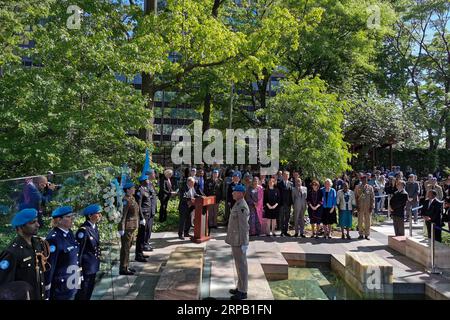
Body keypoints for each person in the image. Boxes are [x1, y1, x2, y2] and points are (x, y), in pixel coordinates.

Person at [0, 208, 47, 300]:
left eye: (37, 221)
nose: (38, 225)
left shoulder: (37, 244)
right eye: (32, 223)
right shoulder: (12, 252)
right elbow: (5, 287)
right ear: (20, 227)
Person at [45, 206, 80, 300]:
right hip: (61, 288)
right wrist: (46, 291)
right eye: (69, 217)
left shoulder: (69, 233)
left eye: (72, 216)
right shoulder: (53, 239)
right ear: (59, 220)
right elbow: (49, 266)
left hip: (72, 282)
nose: (72, 219)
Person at [226, 184, 249, 300]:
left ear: (240, 193)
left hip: (240, 240)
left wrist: (245, 242)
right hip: (236, 240)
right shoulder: (238, 203)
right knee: (238, 265)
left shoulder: (242, 206)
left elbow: (244, 226)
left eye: (235, 191)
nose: (232, 193)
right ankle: (240, 287)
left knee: (242, 266)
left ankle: (243, 291)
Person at [74, 204, 102, 300]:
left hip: (93, 265)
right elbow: (79, 251)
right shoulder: (84, 230)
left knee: (89, 290)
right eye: (97, 213)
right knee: (83, 292)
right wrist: (79, 270)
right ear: (90, 216)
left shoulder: (94, 227)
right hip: (86, 267)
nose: (100, 215)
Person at [118, 182, 141, 275]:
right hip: (127, 227)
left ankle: (126, 265)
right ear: (127, 190)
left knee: (129, 246)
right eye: (132, 188)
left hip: (132, 227)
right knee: (125, 248)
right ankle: (123, 268)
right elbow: (123, 215)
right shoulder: (125, 200)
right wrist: (121, 227)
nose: (134, 189)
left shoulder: (132, 198)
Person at [135, 170, 158, 261]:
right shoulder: (140, 191)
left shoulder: (144, 189)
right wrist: (141, 217)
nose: (148, 181)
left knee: (143, 235)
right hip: (143, 215)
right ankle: (138, 255)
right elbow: (139, 205)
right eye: (146, 180)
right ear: (143, 181)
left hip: (147, 214)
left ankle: (140, 253)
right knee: (140, 236)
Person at [354, 174, 375, 240]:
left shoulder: (370, 187)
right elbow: (356, 197)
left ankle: (367, 234)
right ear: (361, 180)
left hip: (368, 206)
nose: (364, 181)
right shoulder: (358, 187)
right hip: (360, 206)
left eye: (365, 179)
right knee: (360, 221)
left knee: (368, 221)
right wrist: (356, 206)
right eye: (363, 179)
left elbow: (372, 198)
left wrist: (372, 206)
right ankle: (360, 234)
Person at [278, 171, 293, 237]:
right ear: (283, 176)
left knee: (287, 218)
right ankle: (282, 232)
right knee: (281, 218)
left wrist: (292, 203)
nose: (286, 176)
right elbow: (278, 194)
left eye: (287, 175)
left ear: (289, 176)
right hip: (281, 204)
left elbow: (291, 194)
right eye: (285, 175)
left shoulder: (291, 184)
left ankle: (286, 231)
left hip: (288, 204)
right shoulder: (279, 183)